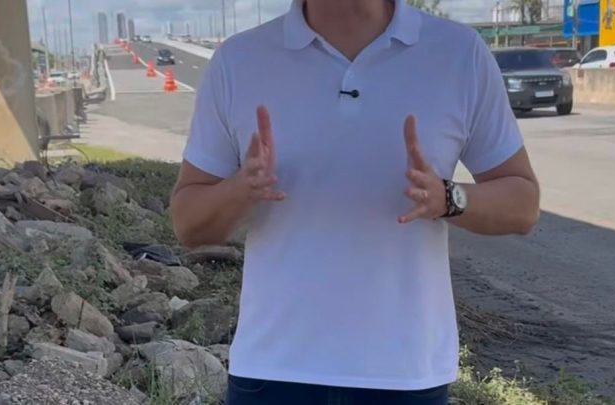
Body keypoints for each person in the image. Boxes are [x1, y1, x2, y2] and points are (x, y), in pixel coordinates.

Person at [171, 0, 541, 403]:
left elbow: (522, 204)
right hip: (273, 371)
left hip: (405, 377)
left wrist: (449, 197)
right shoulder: (238, 61)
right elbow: (188, 223)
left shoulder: (459, 53)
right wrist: (239, 190)